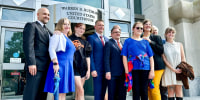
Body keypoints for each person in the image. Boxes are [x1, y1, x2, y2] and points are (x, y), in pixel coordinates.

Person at [23, 8, 52, 100]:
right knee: (31, 94)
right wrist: (31, 63)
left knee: (42, 95)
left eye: (48, 15)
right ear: (38, 15)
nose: (47, 16)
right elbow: (28, 45)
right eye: (44, 14)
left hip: (47, 67)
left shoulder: (48, 31)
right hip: (36, 67)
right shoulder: (31, 26)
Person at [44, 18, 76, 100]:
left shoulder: (68, 38)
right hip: (60, 65)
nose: (67, 26)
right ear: (60, 25)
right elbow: (51, 49)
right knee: (57, 93)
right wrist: (55, 63)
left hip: (68, 67)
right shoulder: (58, 35)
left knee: (63, 93)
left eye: (68, 24)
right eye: (64, 24)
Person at [121, 22, 154, 100]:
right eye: (138, 28)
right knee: (136, 91)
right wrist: (126, 70)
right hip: (133, 68)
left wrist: (152, 70)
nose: (140, 29)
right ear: (133, 29)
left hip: (145, 68)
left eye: (141, 28)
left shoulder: (145, 42)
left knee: (144, 91)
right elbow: (124, 56)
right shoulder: (128, 41)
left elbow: (151, 57)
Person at [142, 19, 165, 100]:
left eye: (149, 24)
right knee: (148, 88)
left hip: (157, 66)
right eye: (146, 24)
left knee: (154, 88)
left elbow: (161, 50)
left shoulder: (156, 37)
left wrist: (150, 42)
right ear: (143, 26)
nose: (148, 25)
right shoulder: (139, 38)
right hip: (145, 67)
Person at [69, 23, 92, 100]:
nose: (82, 30)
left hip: (83, 68)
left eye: (83, 29)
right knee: (81, 90)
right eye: (80, 28)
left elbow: (88, 57)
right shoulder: (69, 39)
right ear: (75, 28)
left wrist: (88, 70)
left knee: (79, 92)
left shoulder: (85, 42)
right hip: (73, 67)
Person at [162, 27, 186, 100]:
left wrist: (182, 68)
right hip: (169, 70)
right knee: (171, 90)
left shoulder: (179, 44)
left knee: (179, 89)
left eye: (173, 32)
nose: (171, 34)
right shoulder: (163, 46)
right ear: (165, 34)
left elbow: (183, 57)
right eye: (169, 32)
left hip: (179, 70)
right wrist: (173, 69)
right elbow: (164, 60)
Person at [87, 20, 109, 100]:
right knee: (98, 92)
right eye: (99, 25)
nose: (101, 27)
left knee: (104, 91)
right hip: (97, 70)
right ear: (95, 27)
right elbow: (90, 54)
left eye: (102, 25)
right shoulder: (91, 38)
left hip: (106, 70)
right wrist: (92, 69)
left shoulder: (107, 39)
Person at [104, 25, 126, 100]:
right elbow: (106, 58)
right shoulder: (108, 43)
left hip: (123, 73)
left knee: (122, 94)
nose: (118, 33)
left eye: (119, 32)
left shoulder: (123, 42)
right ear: (111, 34)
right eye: (115, 32)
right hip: (112, 74)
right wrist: (107, 71)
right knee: (112, 94)